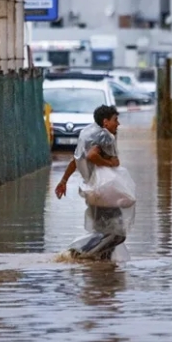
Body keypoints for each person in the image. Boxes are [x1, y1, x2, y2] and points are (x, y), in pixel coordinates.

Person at [55, 104, 129, 260]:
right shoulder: (104, 136)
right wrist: (111, 163)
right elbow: (91, 156)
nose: (118, 124)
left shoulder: (87, 134)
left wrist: (64, 180)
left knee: (103, 233)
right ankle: (79, 253)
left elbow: (76, 160)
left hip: (93, 192)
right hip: (104, 194)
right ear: (105, 122)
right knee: (118, 234)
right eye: (116, 120)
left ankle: (100, 274)